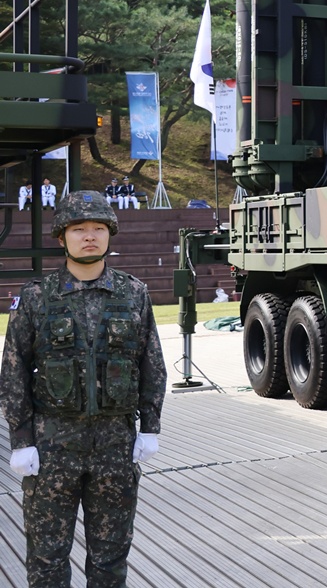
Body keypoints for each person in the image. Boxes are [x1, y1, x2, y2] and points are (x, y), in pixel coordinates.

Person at [0, 190, 167, 586]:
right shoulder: (38, 297)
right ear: (62, 237)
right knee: (46, 558)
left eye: (98, 228)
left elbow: (151, 364)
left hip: (115, 447)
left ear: (110, 234)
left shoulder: (134, 294)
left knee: (110, 560)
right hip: (52, 447)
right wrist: (21, 438)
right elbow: (13, 371)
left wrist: (150, 427)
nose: (89, 236)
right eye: (78, 229)